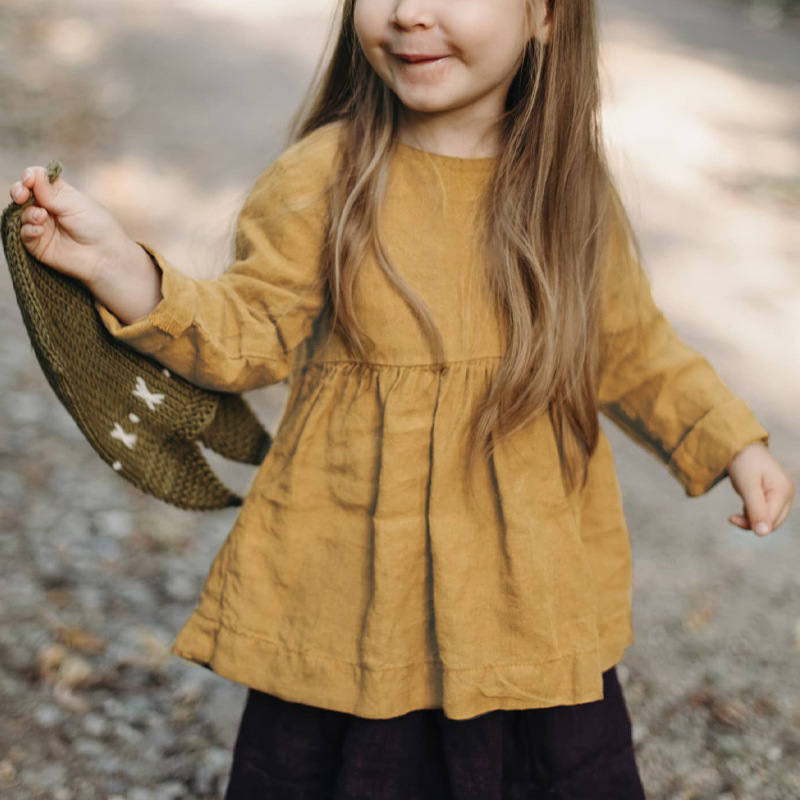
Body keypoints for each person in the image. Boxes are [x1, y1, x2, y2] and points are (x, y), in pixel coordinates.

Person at [8, 0, 795, 797]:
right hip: (352, 589)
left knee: (538, 761)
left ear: (548, 17)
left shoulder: (568, 189)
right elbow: (245, 332)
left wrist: (732, 441)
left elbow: (633, 346)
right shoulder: (325, 175)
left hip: (524, 592)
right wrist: (118, 267)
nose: (412, 12)